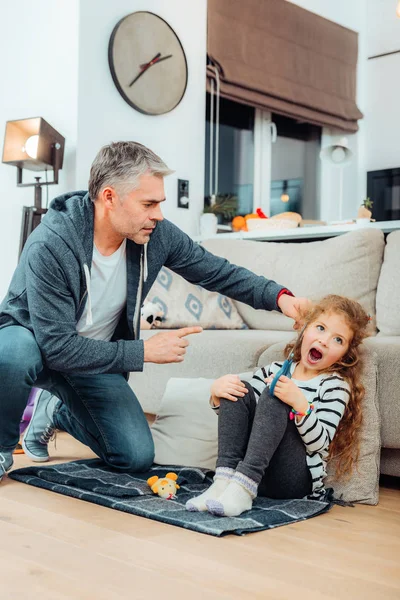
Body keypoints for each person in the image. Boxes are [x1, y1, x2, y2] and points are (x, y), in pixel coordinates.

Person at [0, 141, 310, 483]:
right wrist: (145, 350)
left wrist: (279, 298)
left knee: (135, 456)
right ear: (109, 198)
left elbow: (216, 271)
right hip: (39, 345)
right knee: (12, 353)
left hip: (94, 358)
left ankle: (59, 411)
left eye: (159, 203)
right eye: (148, 204)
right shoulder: (53, 243)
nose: (158, 215)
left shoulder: (155, 235)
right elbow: (57, 346)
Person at [186, 294, 370, 517]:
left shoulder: (334, 385)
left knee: (275, 394)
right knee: (238, 387)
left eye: (338, 340)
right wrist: (217, 395)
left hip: (291, 480)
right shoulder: (274, 369)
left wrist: (300, 404)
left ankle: (242, 489)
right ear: (304, 330)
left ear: (344, 355)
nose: (324, 340)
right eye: (320, 328)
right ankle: (223, 482)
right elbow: (243, 415)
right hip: (250, 471)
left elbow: (320, 444)